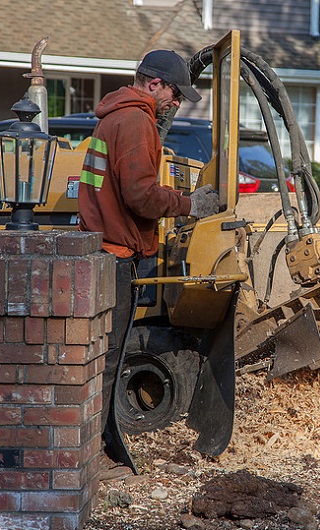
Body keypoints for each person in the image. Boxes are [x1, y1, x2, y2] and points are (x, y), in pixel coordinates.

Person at [77, 49, 219, 467]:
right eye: (175, 93)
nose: (176, 102)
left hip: (103, 246)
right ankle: (96, 454)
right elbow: (139, 195)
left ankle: (92, 446)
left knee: (99, 357)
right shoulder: (136, 120)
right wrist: (190, 204)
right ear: (154, 83)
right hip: (117, 252)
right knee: (107, 362)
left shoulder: (111, 117)